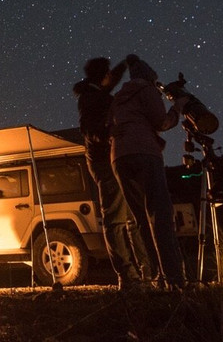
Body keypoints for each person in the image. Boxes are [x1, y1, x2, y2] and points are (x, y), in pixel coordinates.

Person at [73, 57, 156, 290]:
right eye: (110, 72)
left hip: (114, 158)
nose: (114, 77)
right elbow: (89, 130)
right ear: (103, 75)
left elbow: (112, 80)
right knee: (117, 219)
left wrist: (125, 63)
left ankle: (145, 271)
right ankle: (127, 276)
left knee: (131, 218)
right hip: (103, 161)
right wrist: (110, 133)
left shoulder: (98, 92)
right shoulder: (90, 97)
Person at [108, 54, 189, 289]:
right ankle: (175, 279)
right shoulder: (146, 89)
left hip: (119, 158)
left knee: (142, 219)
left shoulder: (118, 98)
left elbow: (110, 127)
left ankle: (158, 275)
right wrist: (178, 108)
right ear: (148, 77)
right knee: (160, 215)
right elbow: (161, 122)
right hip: (144, 153)